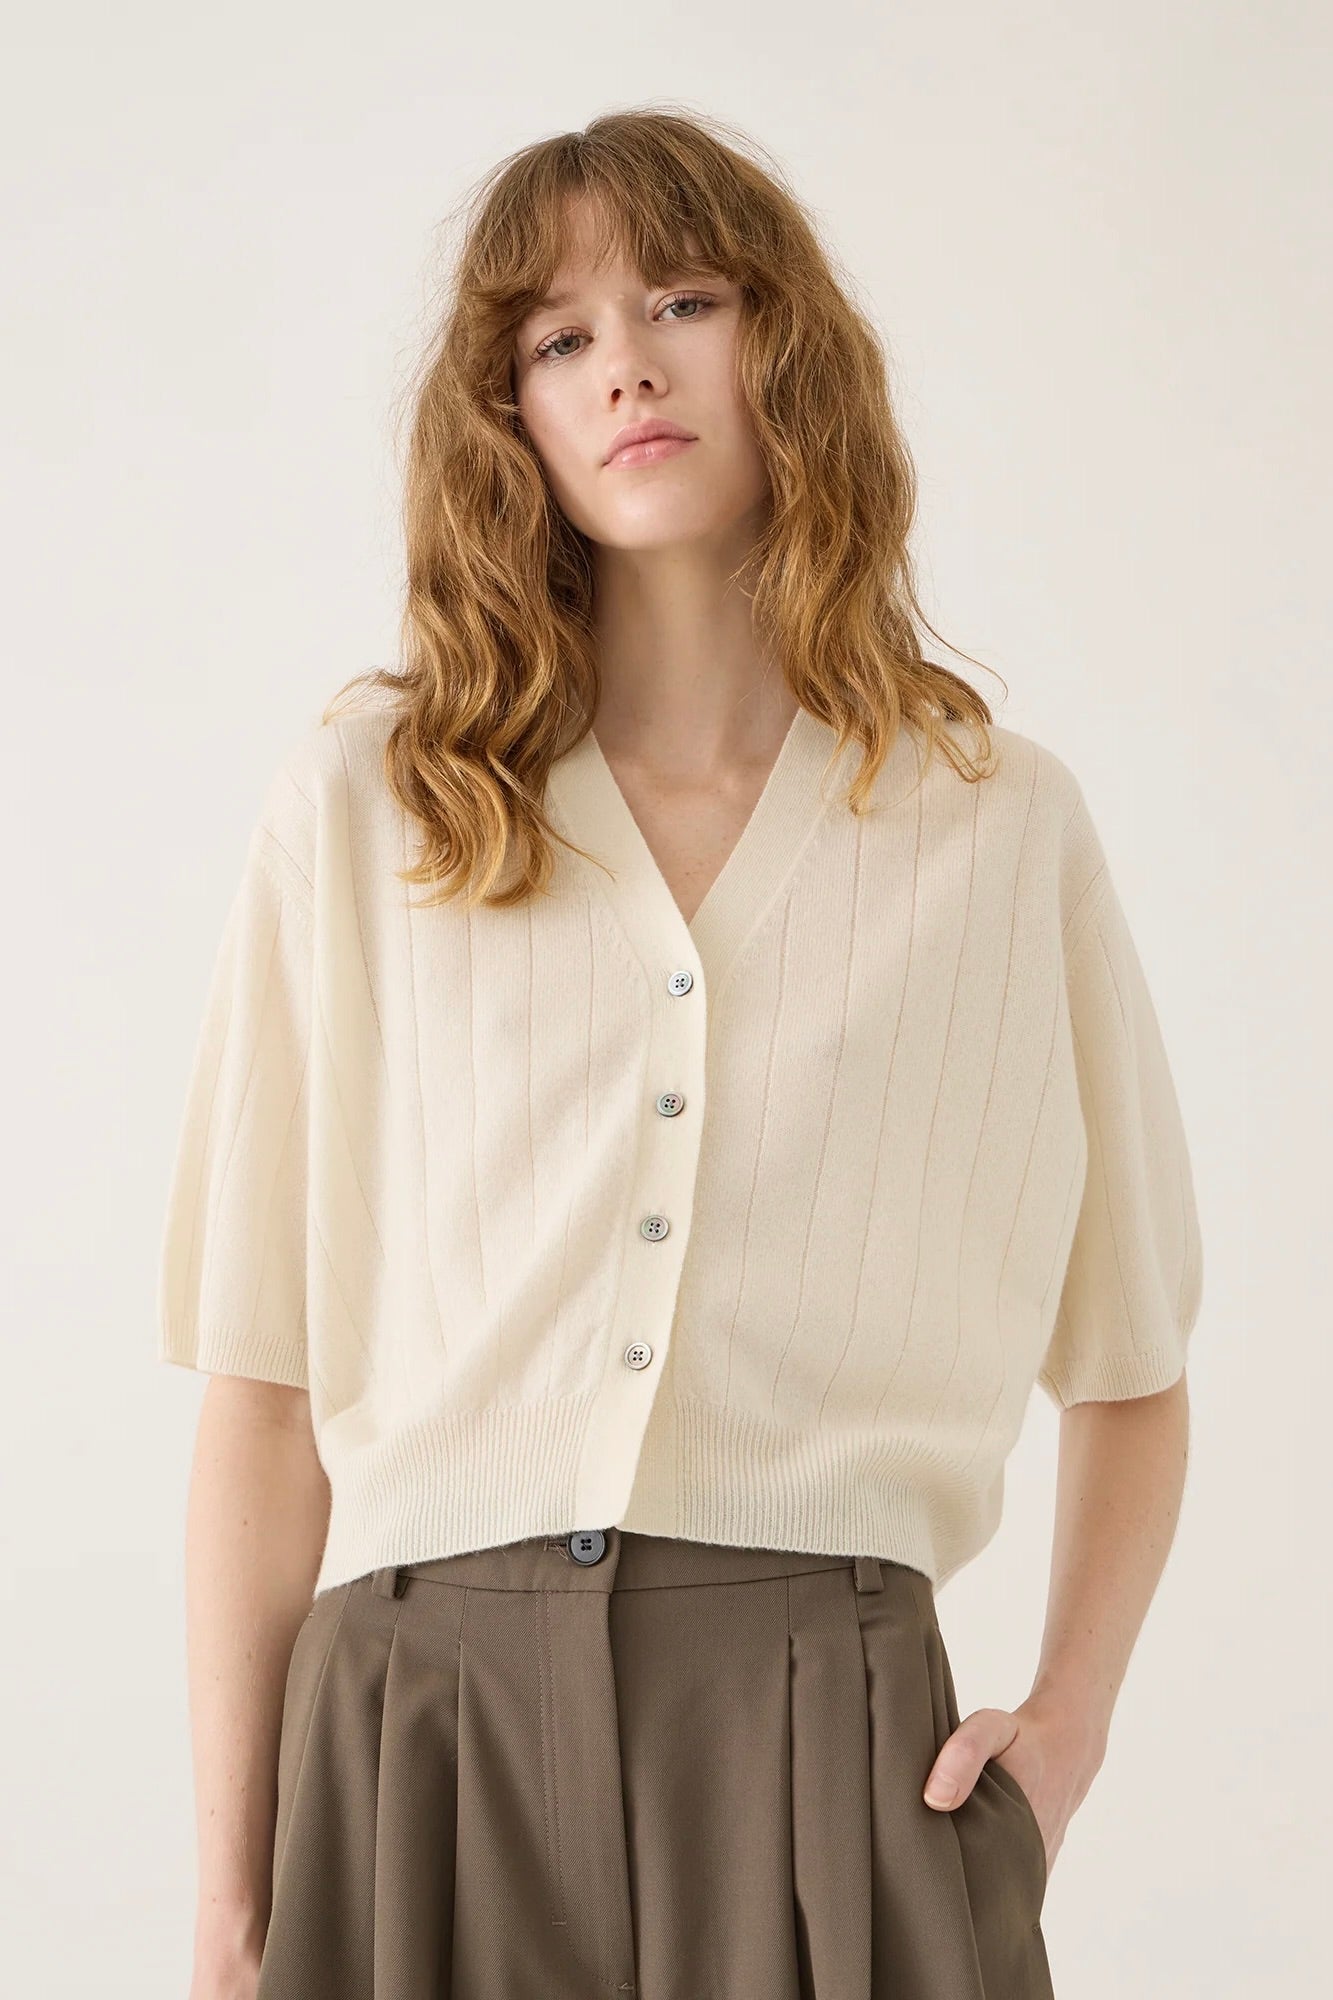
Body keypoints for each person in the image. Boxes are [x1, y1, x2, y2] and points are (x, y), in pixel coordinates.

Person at [157, 107, 1203, 2000]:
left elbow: (1129, 1369)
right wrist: (233, 1914)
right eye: (558, 337)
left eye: (682, 301)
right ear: (512, 418)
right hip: (417, 1736)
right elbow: (263, 1392)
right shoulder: (369, 803)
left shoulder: (998, 826)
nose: (625, 364)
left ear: (780, 343)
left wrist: (1068, 1724)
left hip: (831, 1732)